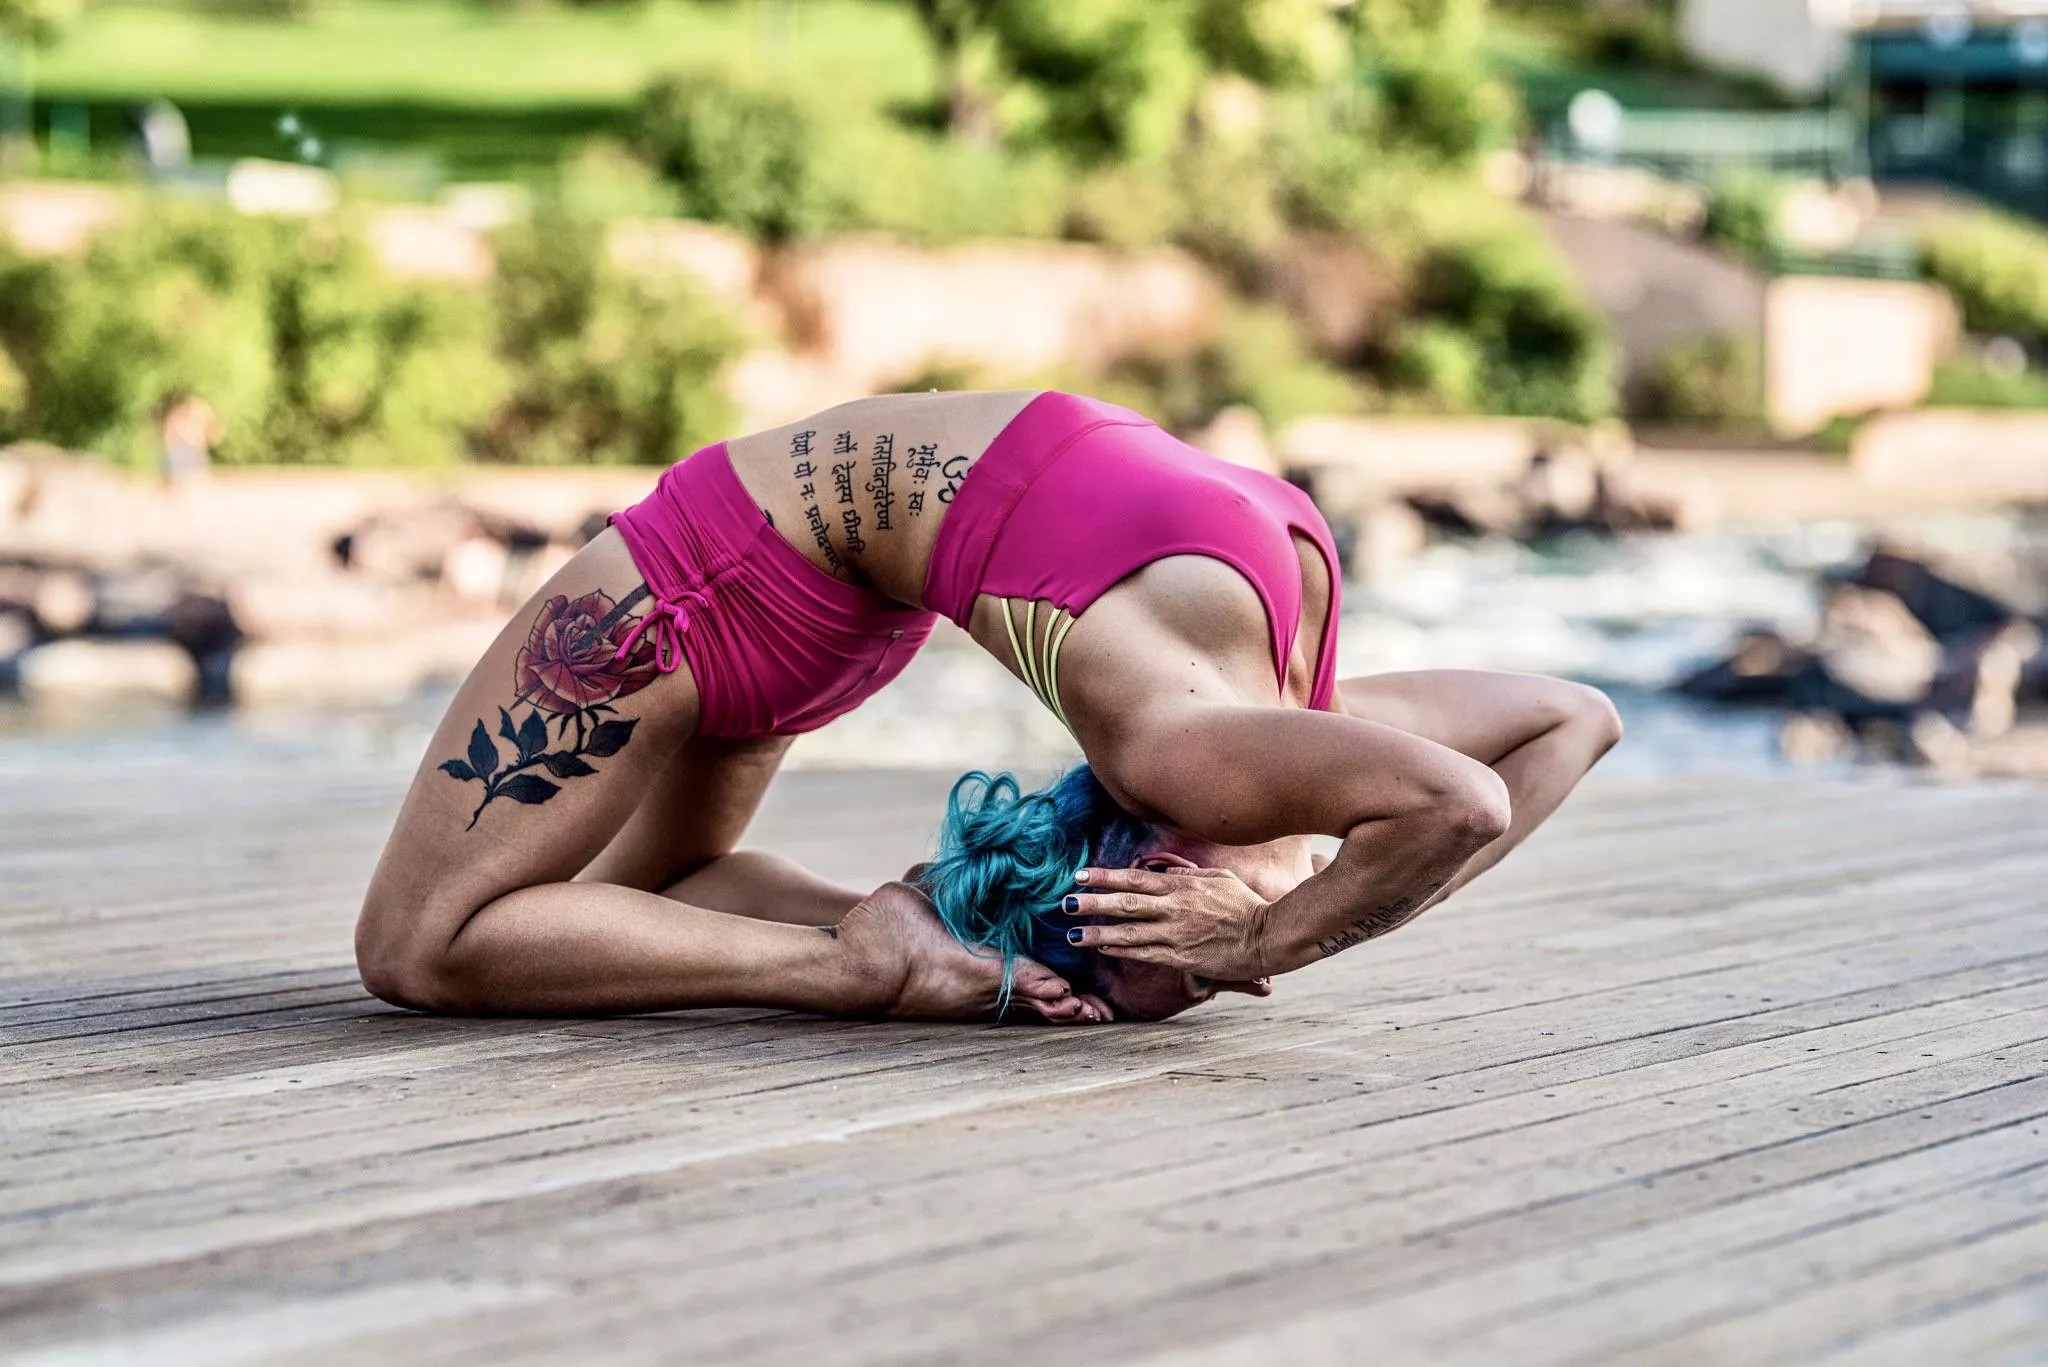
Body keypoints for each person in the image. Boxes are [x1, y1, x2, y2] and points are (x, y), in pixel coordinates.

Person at [356, 391, 1620, 1024]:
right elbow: (1476, 792)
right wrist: (1260, 938)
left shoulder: (1282, 728)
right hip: (718, 583)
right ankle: (872, 941)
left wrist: (1272, 919)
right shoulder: (1197, 755)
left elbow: (1568, 719)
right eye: (1168, 970)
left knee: (446, 942)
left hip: (791, 592)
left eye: (1164, 978)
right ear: (1152, 862)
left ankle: (863, 954)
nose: (1202, 986)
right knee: (452, 940)